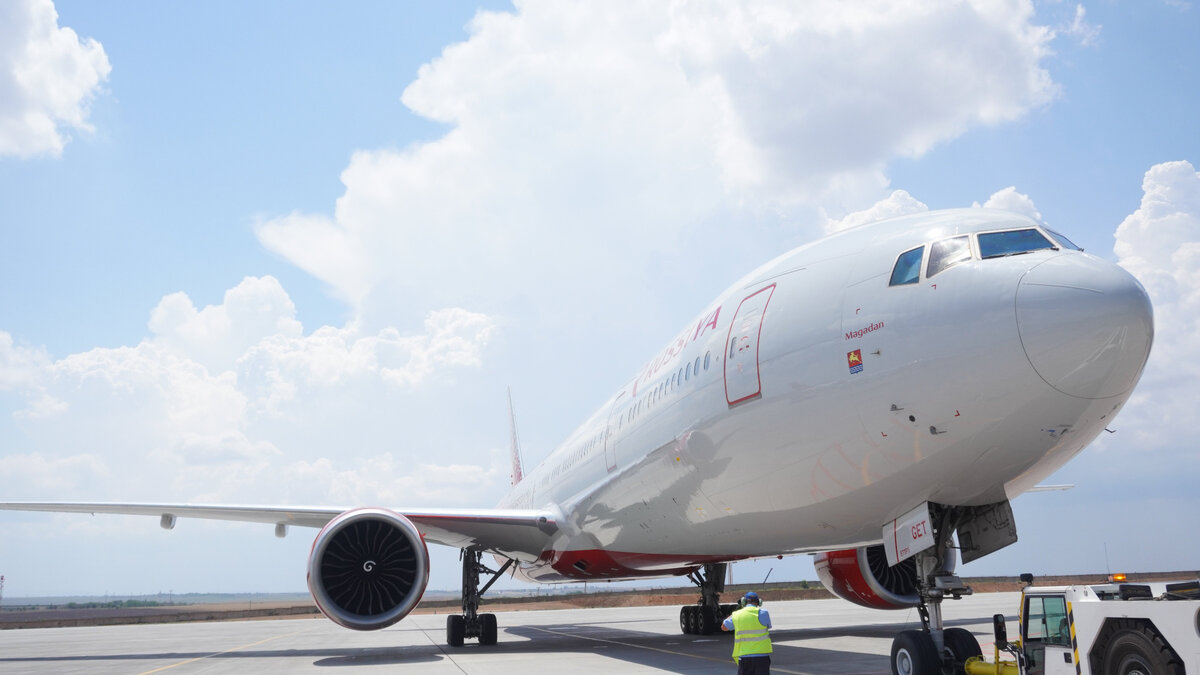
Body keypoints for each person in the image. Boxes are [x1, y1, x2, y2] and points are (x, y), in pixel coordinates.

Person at [722, 591, 772, 674]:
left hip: (744, 657)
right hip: (762, 657)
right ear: (759, 602)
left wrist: (735, 612)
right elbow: (768, 625)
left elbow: (724, 627)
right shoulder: (764, 613)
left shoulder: (737, 615)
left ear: (744, 602)